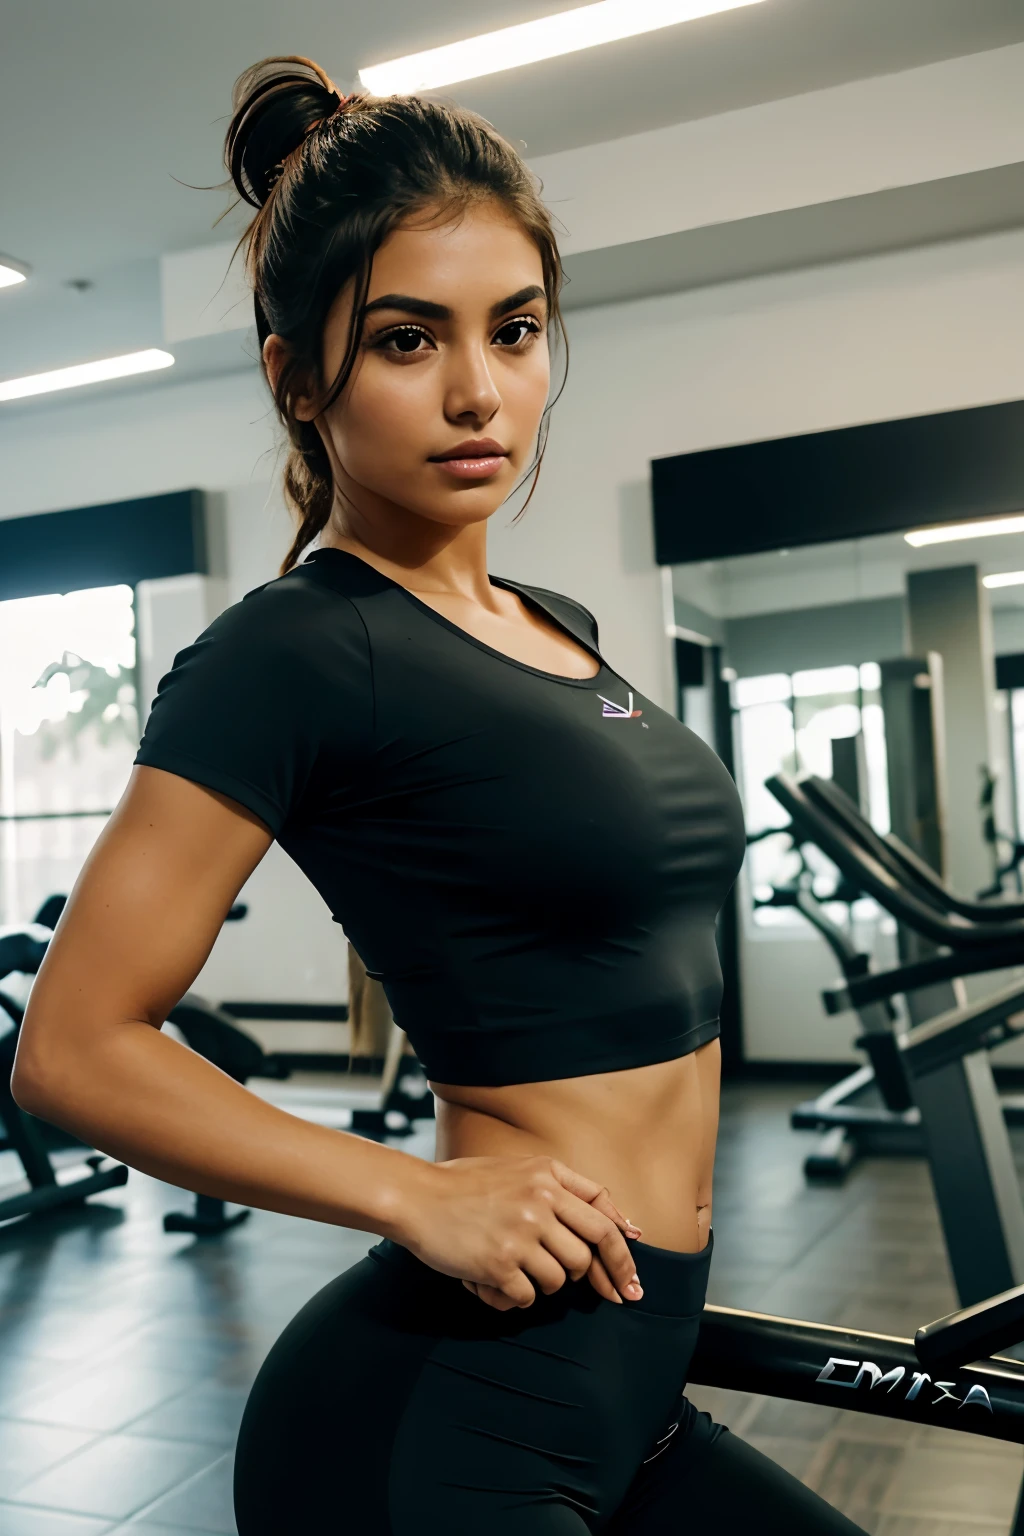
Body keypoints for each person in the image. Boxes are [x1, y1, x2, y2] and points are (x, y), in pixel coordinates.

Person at [12, 55, 866, 1534]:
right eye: (409, 339)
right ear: (295, 376)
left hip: (626, 1395)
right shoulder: (294, 648)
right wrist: (415, 1192)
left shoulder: (559, 627)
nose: (481, 391)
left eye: (517, 330)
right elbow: (73, 1049)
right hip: (445, 1424)